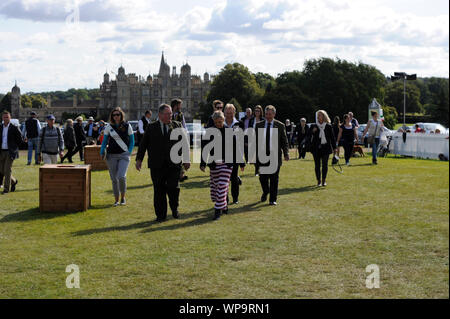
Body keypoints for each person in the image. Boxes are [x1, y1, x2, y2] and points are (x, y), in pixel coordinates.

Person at [136, 104, 190, 222]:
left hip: (174, 164)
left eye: (170, 113)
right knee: (159, 190)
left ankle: (174, 209)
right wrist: (139, 159)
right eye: (167, 114)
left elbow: (184, 144)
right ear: (160, 115)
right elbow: (143, 144)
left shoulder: (177, 126)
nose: (170, 116)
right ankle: (161, 215)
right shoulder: (151, 127)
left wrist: (186, 159)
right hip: (157, 165)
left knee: (174, 188)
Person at [200, 110, 245, 220]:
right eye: (216, 122)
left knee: (222, 186)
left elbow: (236, 148)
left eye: (220, 122)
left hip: (227, 164)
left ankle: (217, 211)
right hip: (214, 164)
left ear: (223, 120)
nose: (218, 124)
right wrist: (203, 163)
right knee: (216, 189)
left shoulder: (229, 131)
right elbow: (205, 149)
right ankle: (224, 206)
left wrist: (241, 162)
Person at [100, 107, 135, 206]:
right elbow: (104, 141)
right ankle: (116, 199)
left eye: (118, 114)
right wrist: (102, 151)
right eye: (114, 115)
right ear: (112, 116)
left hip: (124, 155)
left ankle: (123, 197)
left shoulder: (127, 126)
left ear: (121, 115)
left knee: (121, 176)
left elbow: (132, 141)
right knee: (114, 179)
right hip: (111, 156)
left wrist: (129, 151)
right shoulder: (108, 127)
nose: (116, 116)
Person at [255, 105, 289, 205]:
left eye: (270, 114)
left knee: (274, 178)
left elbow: (284, 141)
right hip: (262, 156)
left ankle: (273, 199)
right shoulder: (258, 125)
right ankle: (266, 191)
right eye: (266, 114)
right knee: (263, 178)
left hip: (275, 156)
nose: (268, 116)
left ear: (274, 114)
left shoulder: (280, 125)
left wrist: (286, 153)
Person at [308, 110, 336, 187]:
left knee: (325, 165)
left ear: (324, 116)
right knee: (317, 165)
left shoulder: (328, 126)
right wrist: (312, 132)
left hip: (326, 148)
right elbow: (308, 136)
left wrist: (334, 148)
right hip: (316, 148)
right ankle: (318, 181)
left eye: (320, 115)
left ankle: (324, 180)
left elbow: (332, 138)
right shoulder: (313, 125)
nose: (318, 117)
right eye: (318, 115)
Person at [223, 104, 244, 205]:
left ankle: (235, 198)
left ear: (234, 113)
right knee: (224, 179)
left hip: (235, 155)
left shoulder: (239, 124)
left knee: (234, 178)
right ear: (224, 113)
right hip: (223, 155)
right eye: (227, 113)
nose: (229, 115)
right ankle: (224, 199)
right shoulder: (221, 124)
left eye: (231, 113)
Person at [1, 111, 22, 194]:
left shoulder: (14, 127)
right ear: (2, 118)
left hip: (10, 152)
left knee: (7, 170)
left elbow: (20, 140)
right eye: (4, 117)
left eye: (7, 117)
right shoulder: (0, 127)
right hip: (1, 151)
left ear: (10, 118)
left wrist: (14, 148)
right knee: (2, 170)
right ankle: (13, 181)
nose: (6, 118)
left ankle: (6, 189)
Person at [171, 99, 188, 182]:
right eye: (179, 105)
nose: (180, 107)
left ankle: (181, 174)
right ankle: (178, 174)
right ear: (175, 106)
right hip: (170, 139)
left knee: (179, 157)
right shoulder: (168, 113)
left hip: (179, 138)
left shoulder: (181, 115)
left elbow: (184, 126)